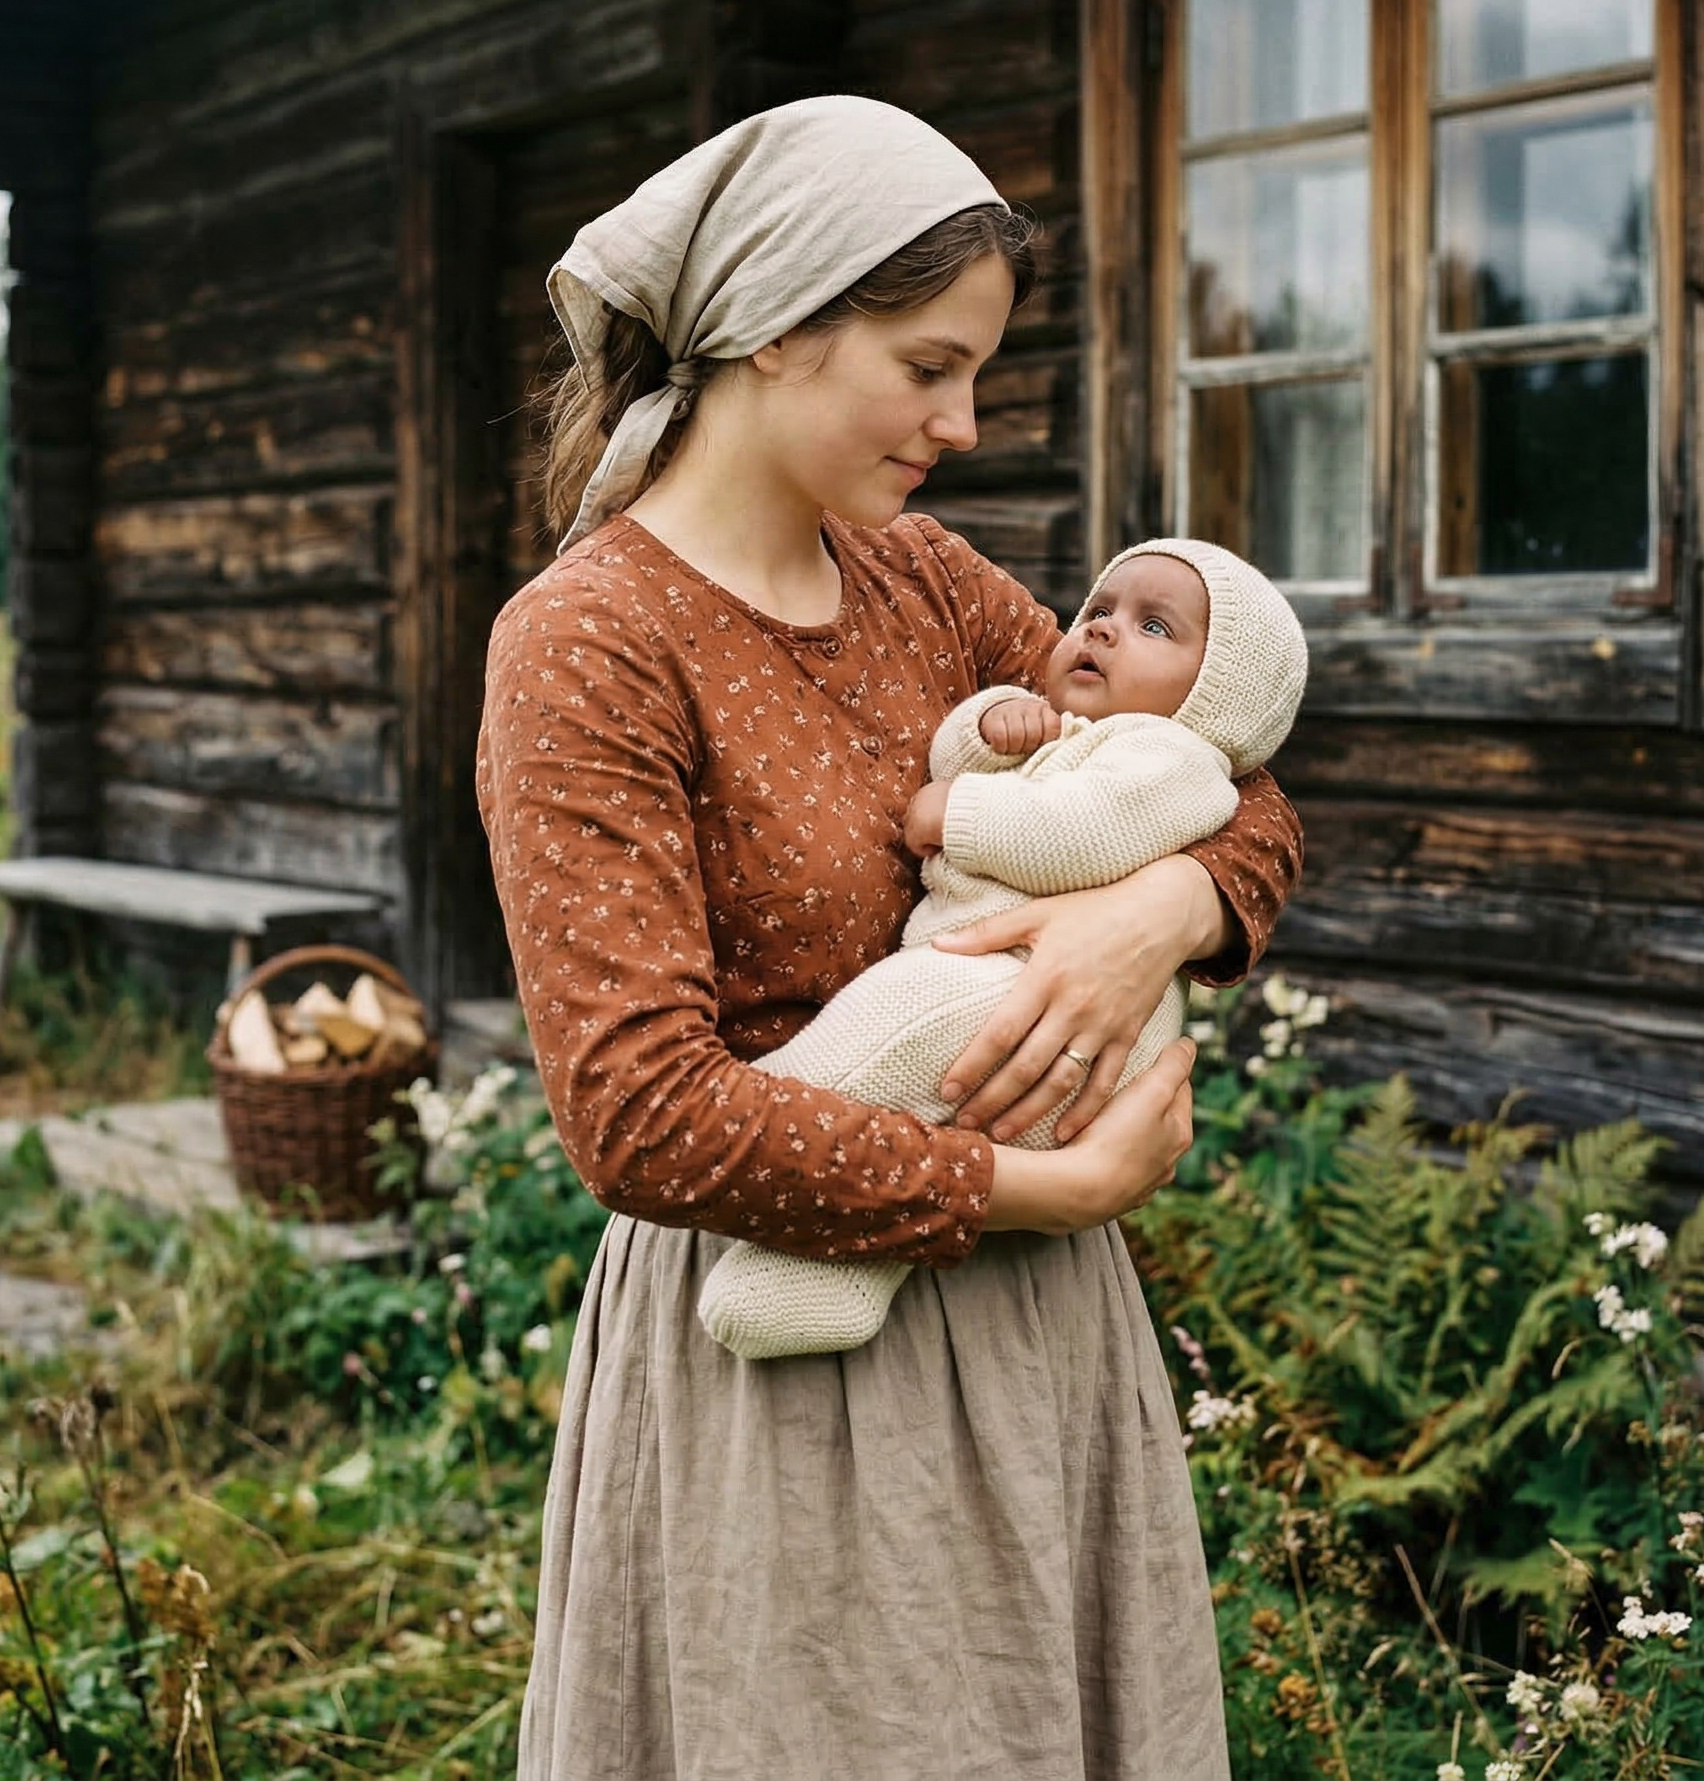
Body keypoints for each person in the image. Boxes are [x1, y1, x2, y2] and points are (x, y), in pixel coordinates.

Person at [475, 93, 1304, 1781]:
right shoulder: (590, 643)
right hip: (781, 1353)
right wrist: (1038, 1188)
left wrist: (1155, 914)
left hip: (1036, 1341)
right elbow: (636, 1114)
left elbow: (1228, 769)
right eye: (928, 366)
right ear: (779, 325)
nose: (963, 422)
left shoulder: (923, 582)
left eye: (972, 374)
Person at [696, 536, 1307, 1359]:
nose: (1102, 629)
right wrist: (989, 730)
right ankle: (831, 1278)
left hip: (1037, 1004)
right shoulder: (1079, 729)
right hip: (1005, 1000)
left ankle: (752, 1123)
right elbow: (965, 754)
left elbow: (1078, 835)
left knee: (891, 1027)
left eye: (1155, 627)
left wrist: (955, 812)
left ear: (1218, 698)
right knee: (919, 1112)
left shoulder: (1173, 757)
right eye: (1098, 609)